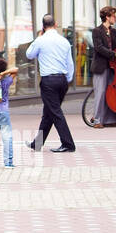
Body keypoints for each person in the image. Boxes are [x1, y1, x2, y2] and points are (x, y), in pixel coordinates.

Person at [26, 14, 76, 152]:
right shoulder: (64, 41)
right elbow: (70, 63)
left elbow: (29, 54)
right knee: (48, 113)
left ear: (43, 26)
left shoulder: (41, 41)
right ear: (55, 24)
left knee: (55, 112)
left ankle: (68, 144)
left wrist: (37, 38)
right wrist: (68, 79)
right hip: (62, 80)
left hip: (48, 81)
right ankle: (37, 143)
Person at [89, 5, 116, 128]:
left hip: (113, 67)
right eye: (114, 16)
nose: (115, 18)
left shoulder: (113, 31)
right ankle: (97, 120)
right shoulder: (96, 31)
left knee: (112, 92)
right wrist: (115, 54)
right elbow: (99, 48)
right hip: (101, 67)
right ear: (107, 17)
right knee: (101, 93)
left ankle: (110, 119)